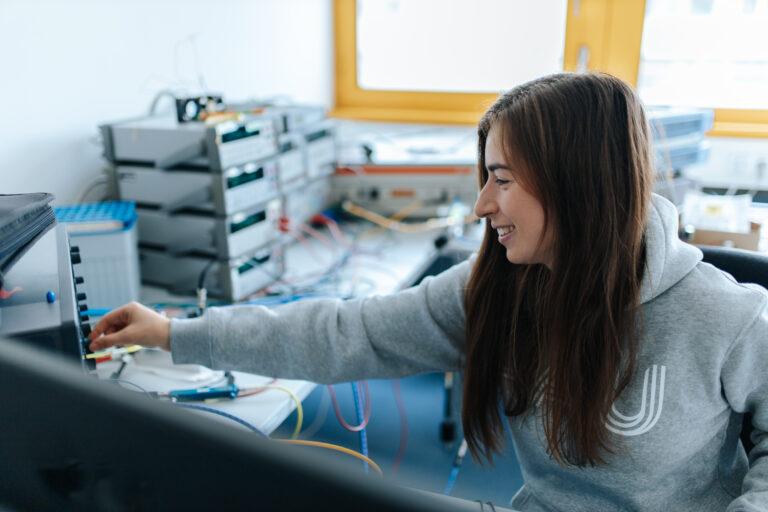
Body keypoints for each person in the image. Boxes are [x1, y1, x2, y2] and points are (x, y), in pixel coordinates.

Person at [89, 72, 768, 511]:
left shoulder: (724, 316)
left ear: (577, 185)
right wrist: (176, 333)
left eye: (502, 180)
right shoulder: (501, 290)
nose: (481, 204)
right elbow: (347, 333)